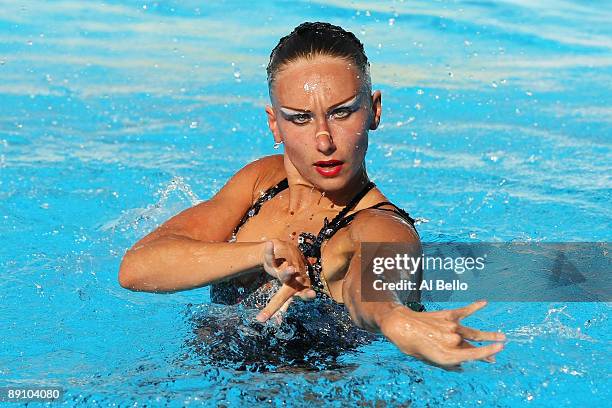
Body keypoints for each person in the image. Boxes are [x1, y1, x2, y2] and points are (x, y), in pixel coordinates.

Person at [118, 22, 505, 368]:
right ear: (275, 124)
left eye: (341, 113)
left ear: (373, 111)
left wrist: (392, 318)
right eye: (300, 118)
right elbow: (137, 268)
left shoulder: (381, 226)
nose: (323, 140)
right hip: (204, 368)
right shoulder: (261, 182)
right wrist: (259, 254)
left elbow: (371, 290)